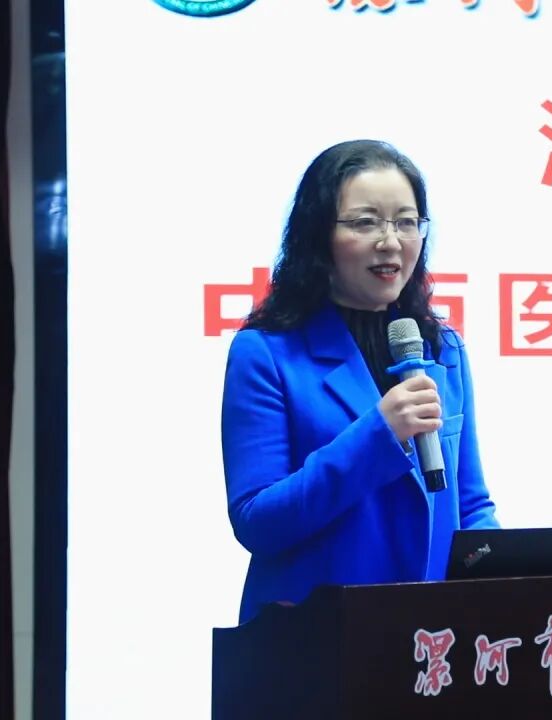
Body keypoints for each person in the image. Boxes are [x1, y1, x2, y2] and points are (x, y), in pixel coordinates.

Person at [221, 139, 499, 623]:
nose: (390, 241)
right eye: (366, 222)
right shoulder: (266, 353)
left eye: (406, 222)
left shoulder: (441, 349)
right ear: (318, 236)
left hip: (430, 635)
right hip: (317, 634)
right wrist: (378, 435)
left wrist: (508, 582)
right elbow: (258, 522)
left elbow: (470, 505)